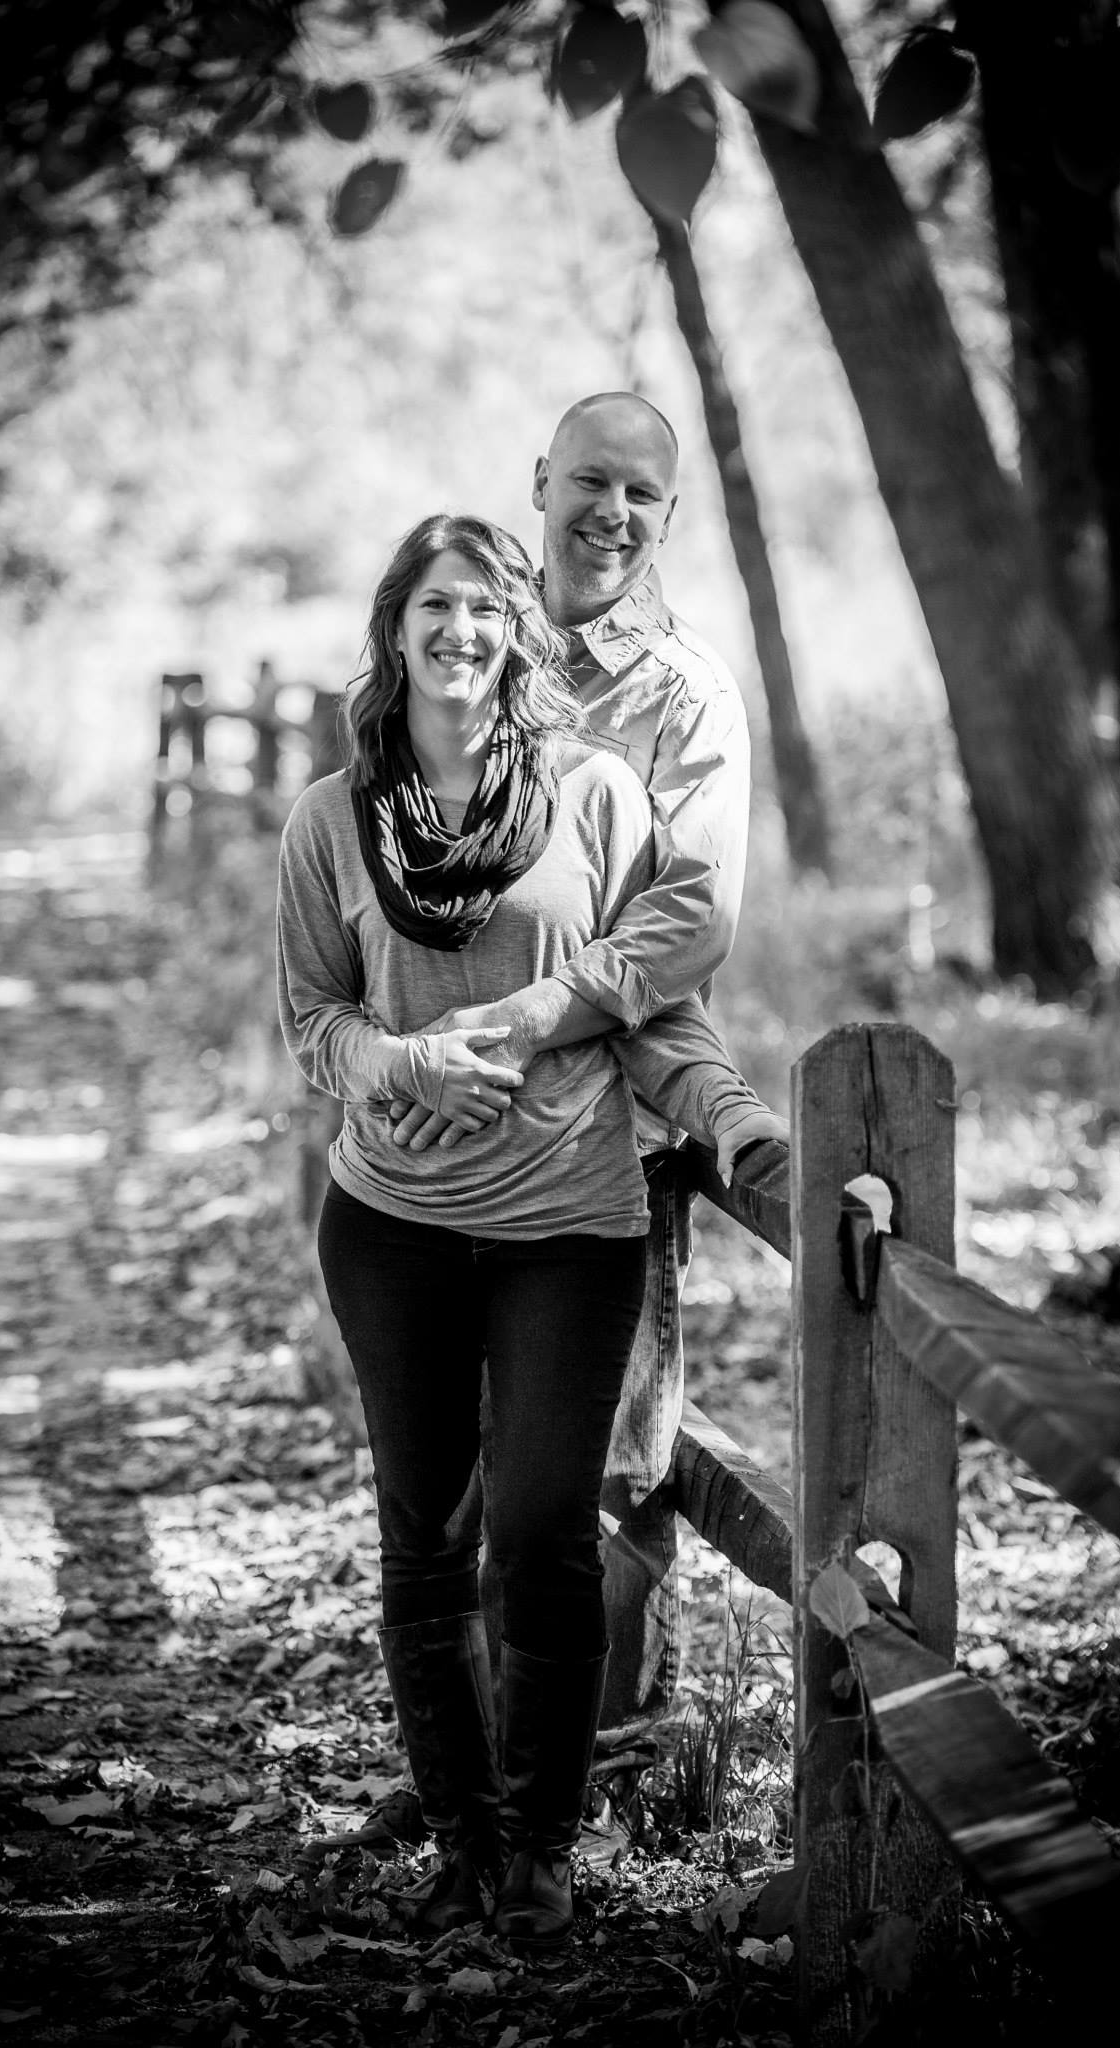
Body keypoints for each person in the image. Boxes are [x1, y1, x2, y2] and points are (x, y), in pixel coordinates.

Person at [277, 512, 777, 1946]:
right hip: (393, 1228)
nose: (463, 633)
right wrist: (405, 1067)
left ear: (517, 634)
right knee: (427, 1541)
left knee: (547, 1531)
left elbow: (652, 1006)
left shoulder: (595, 795)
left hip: (569, 1224)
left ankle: (541, 1848)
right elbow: (314, 1021)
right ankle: (462, 1839)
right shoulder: (331, 820)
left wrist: (737, 1120)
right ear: (396, 628)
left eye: (489, 609)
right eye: (436, 606)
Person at [385, 394, 754, 1764]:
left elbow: (688, 919)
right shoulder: (472, 636)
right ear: (541, 481)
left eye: (642, 494)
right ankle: (482, 1777)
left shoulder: (684, 695)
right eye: (590, 480)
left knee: (602, 1477)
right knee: (460, 1477)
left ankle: (601, 1772)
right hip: (439, 1136)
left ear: (670, 515)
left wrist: (532, 1015)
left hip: (608, 1145)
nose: (611, 513)